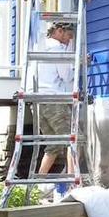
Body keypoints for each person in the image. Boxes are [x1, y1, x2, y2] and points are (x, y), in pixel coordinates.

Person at [37, 19, 76, 199]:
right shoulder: (58, 49)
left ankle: (38, 185)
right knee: (73, 140)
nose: (69, 41)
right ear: (59, 31)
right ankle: (72, 186)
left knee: (53, 146)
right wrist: (77, 61)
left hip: (38, 101)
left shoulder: (39, 46)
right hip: (54, 100)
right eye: (68, 36)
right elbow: (67, 76)